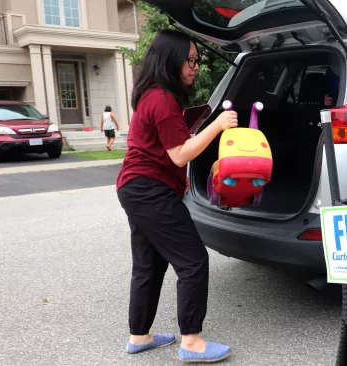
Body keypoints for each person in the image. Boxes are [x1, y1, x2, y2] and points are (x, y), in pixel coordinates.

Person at [115, 29, 238, 363]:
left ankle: (139, 336)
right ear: (171, 59)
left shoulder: (153, 95)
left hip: (137, 187)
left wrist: (178, 180)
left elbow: (161, 150)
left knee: (148, 266)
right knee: (193, 260)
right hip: (148, 190)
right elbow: (181, 154)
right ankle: (192, 341)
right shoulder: (163, 99)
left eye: (198, 60)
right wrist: (217, 125)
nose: (195, 66)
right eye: (190, 60)